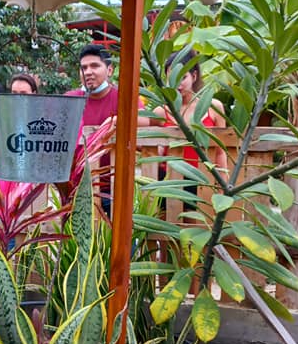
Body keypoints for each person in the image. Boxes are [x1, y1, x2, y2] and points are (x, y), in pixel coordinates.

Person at [66, 43, 149, 215]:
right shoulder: (70, 100)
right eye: (84, 68)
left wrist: (117, 121)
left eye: (95, 66)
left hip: (115, 188)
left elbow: (146, 121)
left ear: (110, 70)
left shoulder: (123, 98)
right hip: (77, 188)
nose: (88, 72)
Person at [150, 48, 227, 172]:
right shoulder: (160, 112)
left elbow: (220, 152)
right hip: (171, 178)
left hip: (205, 178)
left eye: (183, 77)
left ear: (194, 76)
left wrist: (223, 181)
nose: (178, 84)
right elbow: (153, 147)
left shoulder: (213, 107)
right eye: (172, 79)